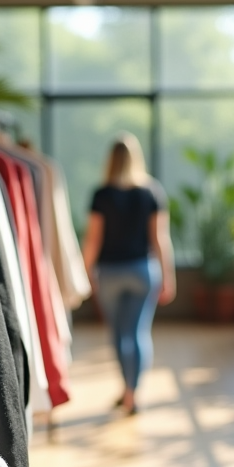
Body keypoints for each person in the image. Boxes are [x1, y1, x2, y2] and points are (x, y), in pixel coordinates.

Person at [82, 133, 176, 415]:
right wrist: (168, 276)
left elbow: (93, 240)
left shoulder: (102, 195)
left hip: (110, 273)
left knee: (118, 334)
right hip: (142, 270)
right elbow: (160, 239)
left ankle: (126, 389)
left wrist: (86, 272)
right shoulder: (152, 192)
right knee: (138, 333)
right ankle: (133, 393)